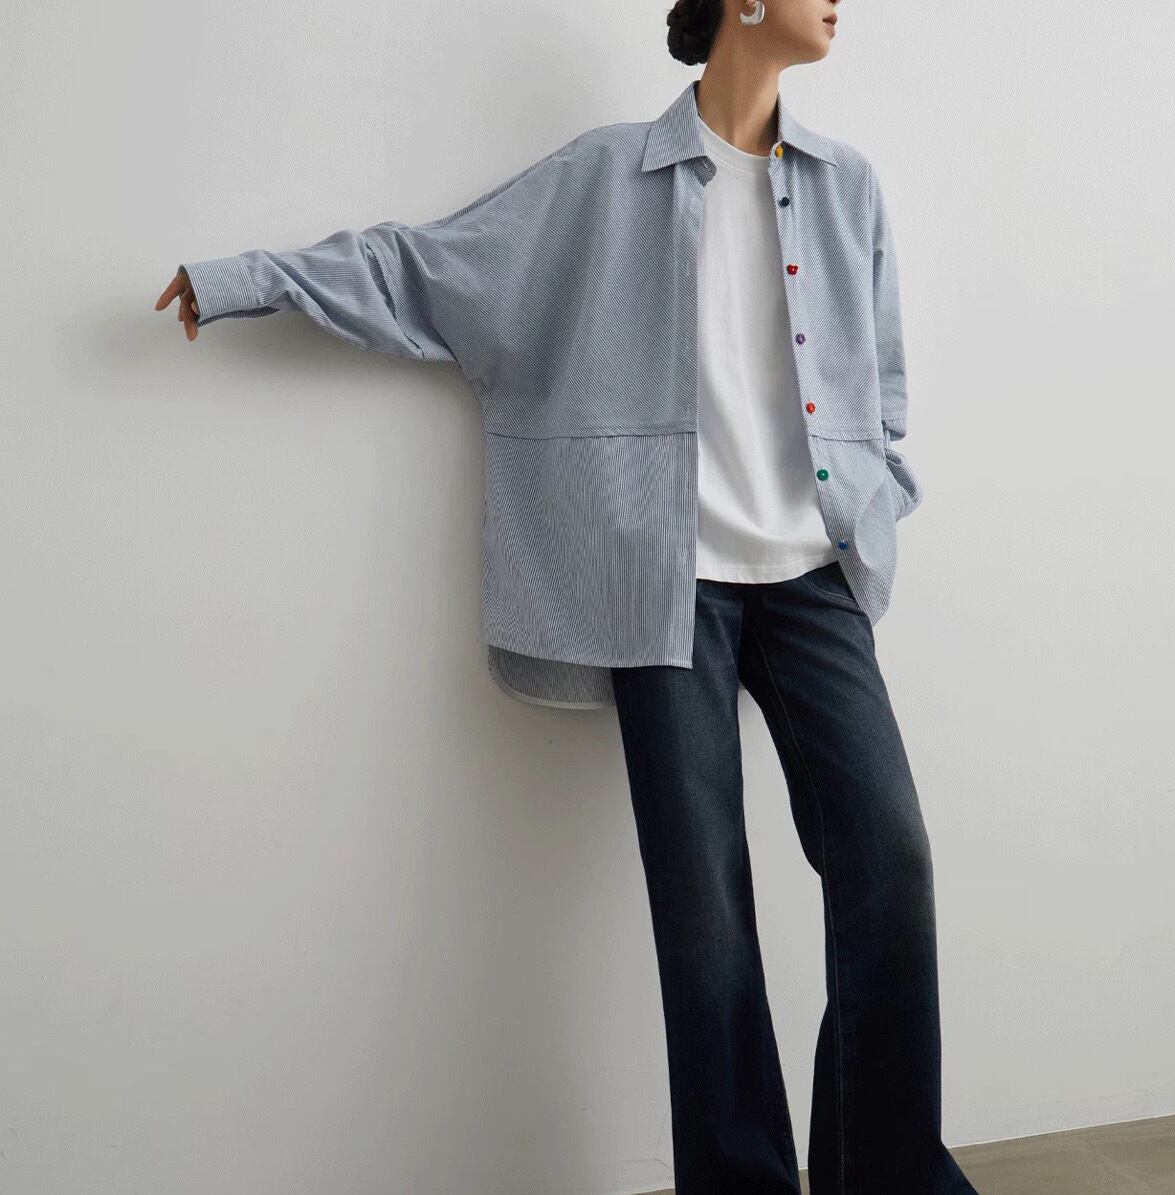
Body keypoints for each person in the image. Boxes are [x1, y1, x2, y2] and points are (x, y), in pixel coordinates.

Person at [157, 1, 978, 1190]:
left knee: (889, 861)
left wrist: (875, 490)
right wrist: (247, 279)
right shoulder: (604, 179)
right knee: (705, 923)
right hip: (662, 589)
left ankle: (888, 1173)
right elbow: (427, 266)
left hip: (812, 580)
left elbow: (882, 387)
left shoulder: (846, 187)